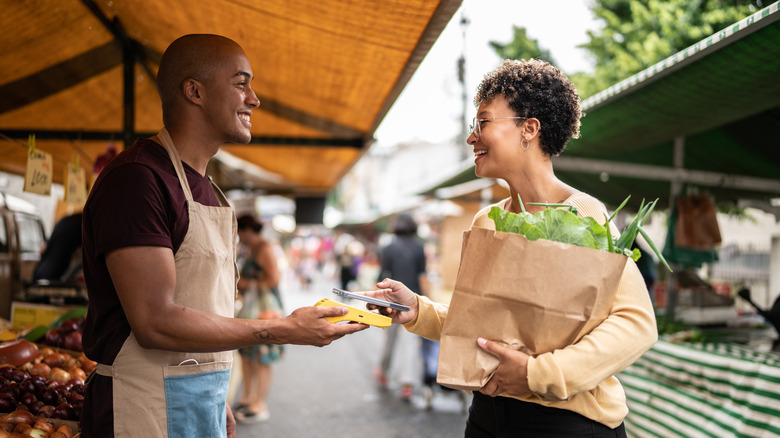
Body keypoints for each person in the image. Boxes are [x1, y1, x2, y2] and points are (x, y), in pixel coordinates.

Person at [80, 34, 367, 438]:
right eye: (241, 83)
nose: (255, 98)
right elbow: (155, 321)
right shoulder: (137, 180)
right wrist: (284, 329)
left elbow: (198, 304)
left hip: (199, 394)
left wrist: (215, 394)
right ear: (194, 91)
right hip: (141, 406)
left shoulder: (207, 189)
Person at [365, 59, 657, 437]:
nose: (472, 137)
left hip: (568, 424)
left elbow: (637, 324)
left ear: (529, 129)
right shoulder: (486, 221)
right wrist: (417, 309)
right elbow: (481, 326)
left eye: (483, 122)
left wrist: (538, 374)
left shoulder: (584, 213)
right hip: (488, 416)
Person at [233, 215, 284, 423]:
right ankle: (249, 397)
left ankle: (259, 403)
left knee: (262, 356)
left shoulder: (263, 248)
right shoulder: (252, 248)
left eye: (239, 231)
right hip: (253, 308)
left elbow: (274, 279)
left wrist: (246, 283)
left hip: (265, 308)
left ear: (247, 230)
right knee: (247, 354)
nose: (238, 236)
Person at [373, 213, 427, 402]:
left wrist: (375, 302)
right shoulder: (420, 248)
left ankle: (383, 372)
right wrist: (429, 300)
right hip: (414, 300)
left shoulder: (388, 248)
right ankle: (407, 384)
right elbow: (422, 277)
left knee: (390, 339)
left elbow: (381, 276)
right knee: (410, 343)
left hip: (392, 301)